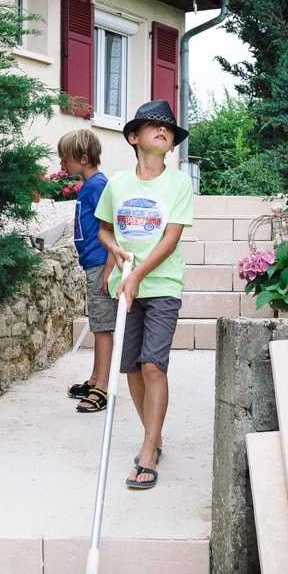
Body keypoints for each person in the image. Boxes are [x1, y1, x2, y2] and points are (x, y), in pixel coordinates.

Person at [96, 99, 194, 490]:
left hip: (161, 286)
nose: (162, 130)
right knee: (132, 368)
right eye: (153, 125)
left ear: (172, 145)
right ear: (134, 137)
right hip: (126, 285)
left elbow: (170, 240)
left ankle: (148, 448)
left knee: (153, 364)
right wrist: (116, 252)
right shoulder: (118, 183)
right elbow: (104, 229)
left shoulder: (179, 183)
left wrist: (137, 274)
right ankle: (153, 433)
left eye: (168, 128)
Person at [58, 129, 117, 413]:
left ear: (83, 158)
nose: (62, 164)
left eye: (65, 159)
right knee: (97, 325)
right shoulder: (89, 184)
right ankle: (95, 379)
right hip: (91, 265)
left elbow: (113, 228)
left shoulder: (99, 185)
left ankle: (102, 388)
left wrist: (108, 269)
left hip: (100, 265)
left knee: (103, 328)